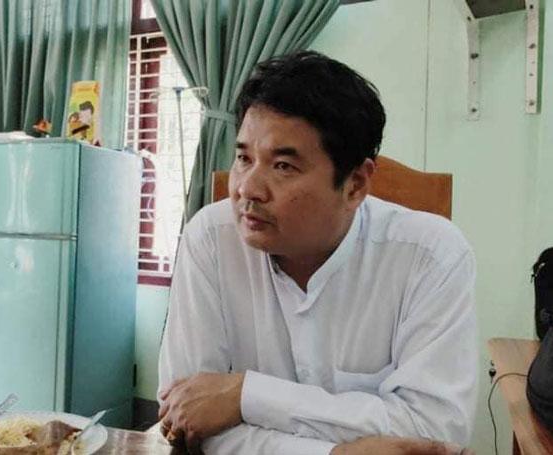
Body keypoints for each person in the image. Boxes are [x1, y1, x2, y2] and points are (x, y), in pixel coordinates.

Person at [158, 50, 478, 455]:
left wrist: (246, 396)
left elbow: (433, 430)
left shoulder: (430, 255)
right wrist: (333, 453)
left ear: (355, 184)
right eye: (243, 158)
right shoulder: (209, 239)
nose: (247, 189)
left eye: (283, 166)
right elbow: (186, 415)